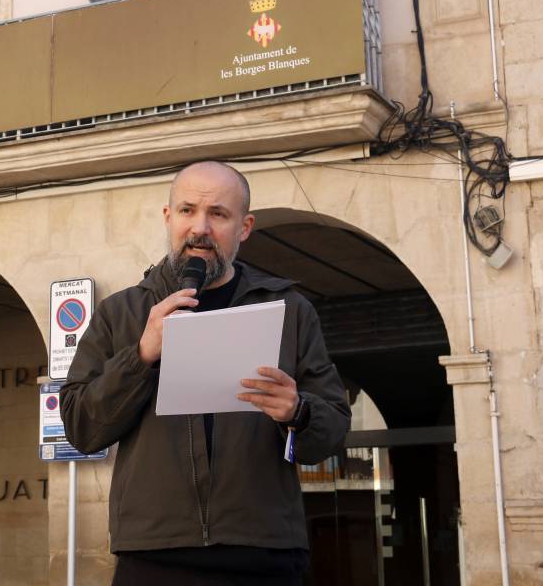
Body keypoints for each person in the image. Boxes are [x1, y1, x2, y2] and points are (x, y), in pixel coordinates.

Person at [60, 161, 351, 585]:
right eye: (187, 211)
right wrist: (141, 355)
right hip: (154, 555)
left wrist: (298, 412)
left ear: (244, 227)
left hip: (263, 553)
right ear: (168, 217)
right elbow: (80, 428)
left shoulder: (290, 310)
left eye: (218, 214)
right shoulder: (120, 313)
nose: (200, 228)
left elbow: (334, 428)